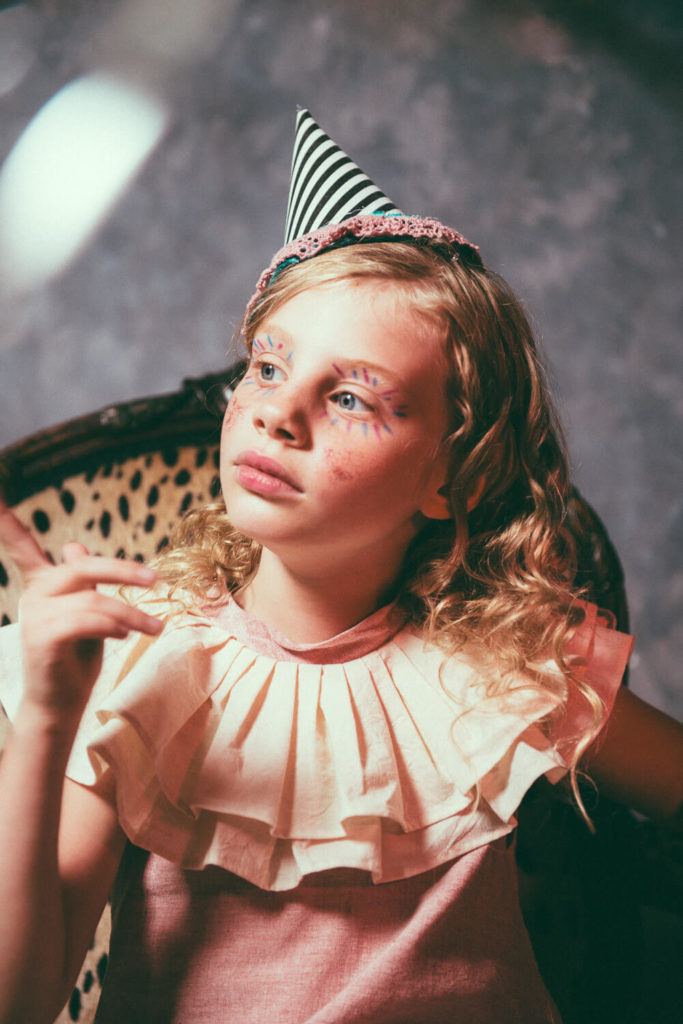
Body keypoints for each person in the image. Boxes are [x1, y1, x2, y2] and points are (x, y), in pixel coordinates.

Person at [0, 109, 681, 1024]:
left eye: (353, 396)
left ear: (450, 475)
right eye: (269, 367)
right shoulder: (142, 661)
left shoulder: (511, 662)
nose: (280, 415)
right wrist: (48, 718)